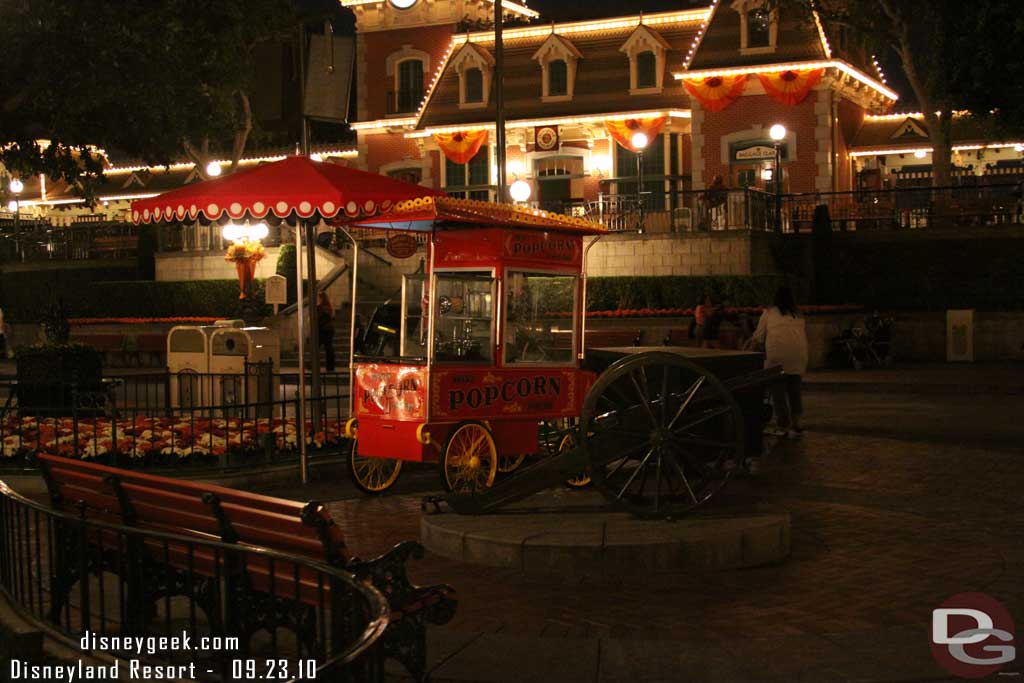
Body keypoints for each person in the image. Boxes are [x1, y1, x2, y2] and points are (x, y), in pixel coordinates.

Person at [750, 286, 808, 437]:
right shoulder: (798, 314)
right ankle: (797, 421)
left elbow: (758, 337)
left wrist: (748, 351)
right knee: (794, 390)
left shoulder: (769, 313)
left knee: (778, 392)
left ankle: (783, 423)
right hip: (798, 356)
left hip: (777, 358)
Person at [316, 291, 336, 372]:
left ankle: (313, 365)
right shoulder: (329, 307)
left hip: (322, 330)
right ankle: (330, 366)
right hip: (329, 329)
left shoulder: (320, 308)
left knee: (316, 348)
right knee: (329, 348)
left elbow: (318, 319)